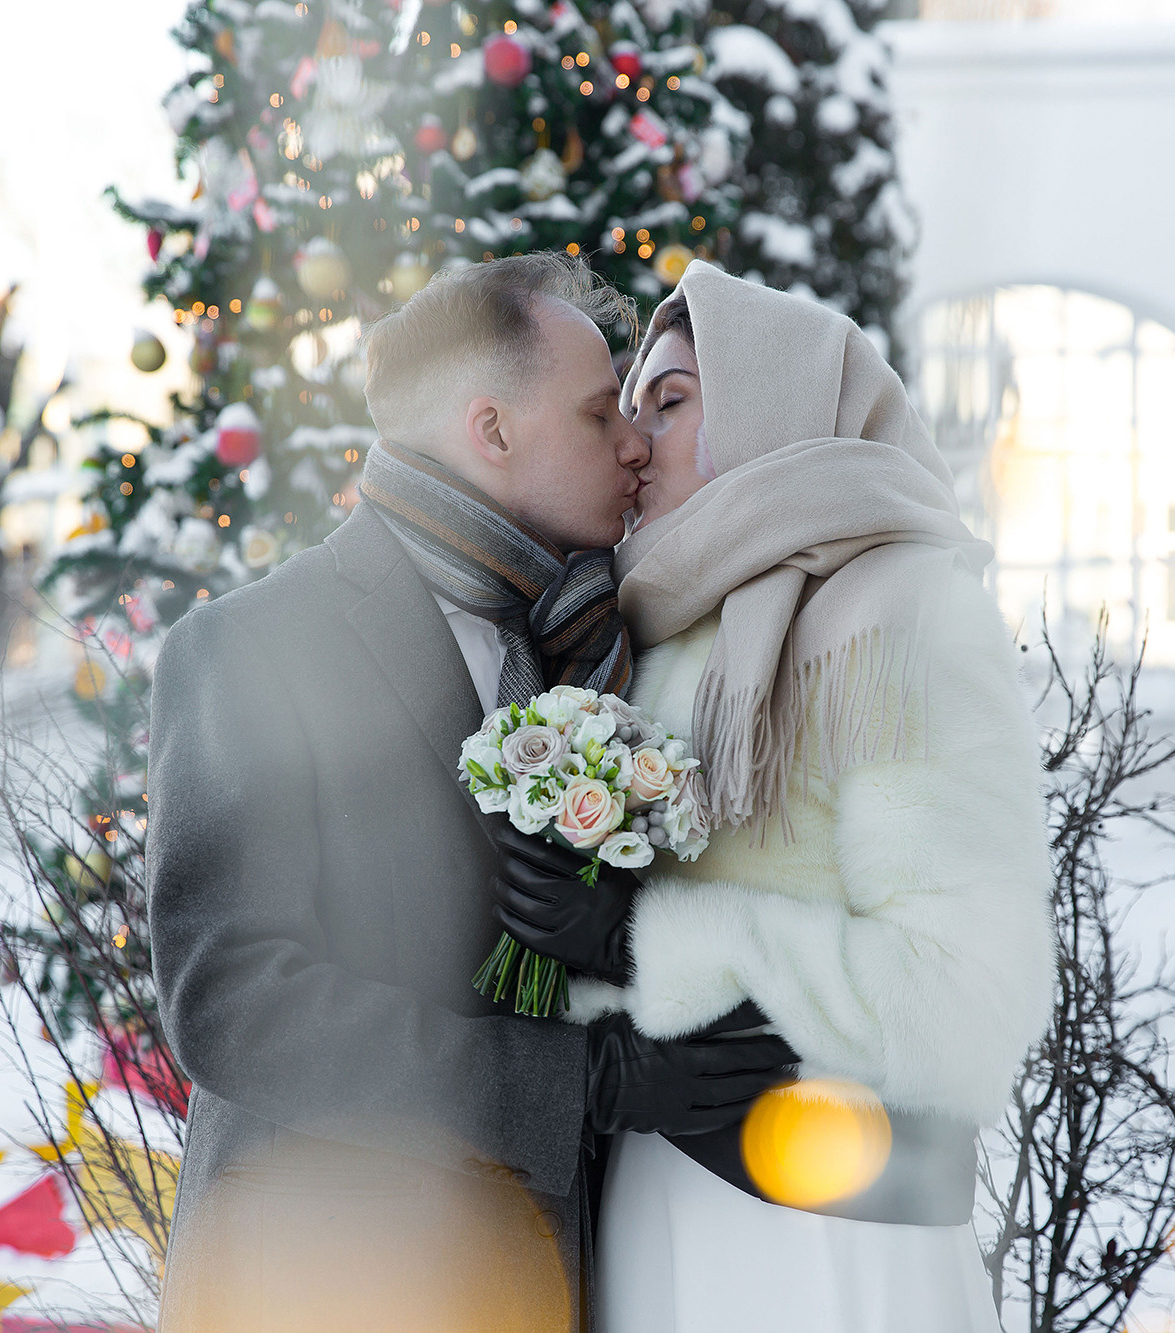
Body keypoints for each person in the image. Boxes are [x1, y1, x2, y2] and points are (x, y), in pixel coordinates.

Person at [145, 252, 798, 1333]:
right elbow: (234, 1002)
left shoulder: (599, 650)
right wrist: (577, 1080)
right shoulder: (253, 648)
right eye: (599, 415)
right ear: (490, 430)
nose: (635, 442)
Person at [489, 260, 1055, 1331]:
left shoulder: (897, 613)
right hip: (662, 1207)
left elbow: (965, 996)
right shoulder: (648, 630)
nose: (631, 440)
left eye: (670, 401)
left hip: (826, 1240)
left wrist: (632, 944)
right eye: (623, 406)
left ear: (772, 406)